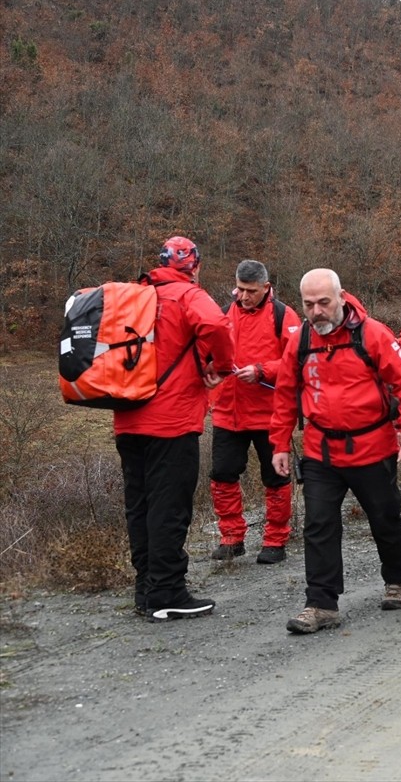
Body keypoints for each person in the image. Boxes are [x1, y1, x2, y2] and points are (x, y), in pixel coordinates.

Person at [270, 269, 401, 634]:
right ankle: (321, 603)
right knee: (319, 524)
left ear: (341, 298)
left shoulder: (373, 335)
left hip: (372, 447)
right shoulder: (300, 340)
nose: (316, 311)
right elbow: (285, 394)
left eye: (324, 302)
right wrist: (279, 444)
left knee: (384, 518)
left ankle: (398, 578)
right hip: (321, 450)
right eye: (309, 304)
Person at [115, 236, 233, 621]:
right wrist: (221, 366)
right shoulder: (187, 295)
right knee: (169, 506)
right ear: (195, 265)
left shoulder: (136, 295)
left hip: (128, 418)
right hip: (171, 420)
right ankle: (167, 592)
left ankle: (146, 588)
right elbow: (217, 324)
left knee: (140, 506)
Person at [208, 260, 302, 565]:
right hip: (228, 412)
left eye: (251, 291)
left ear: (266, 287)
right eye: (240, 289)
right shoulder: (224, 313)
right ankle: (231, 538)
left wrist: (262, 370)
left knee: (275, 478)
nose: (244, 296)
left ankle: (275, 540)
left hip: (270, 414)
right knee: (222, 475)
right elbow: (208, 352)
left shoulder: (284, 316)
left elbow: (296, 360)